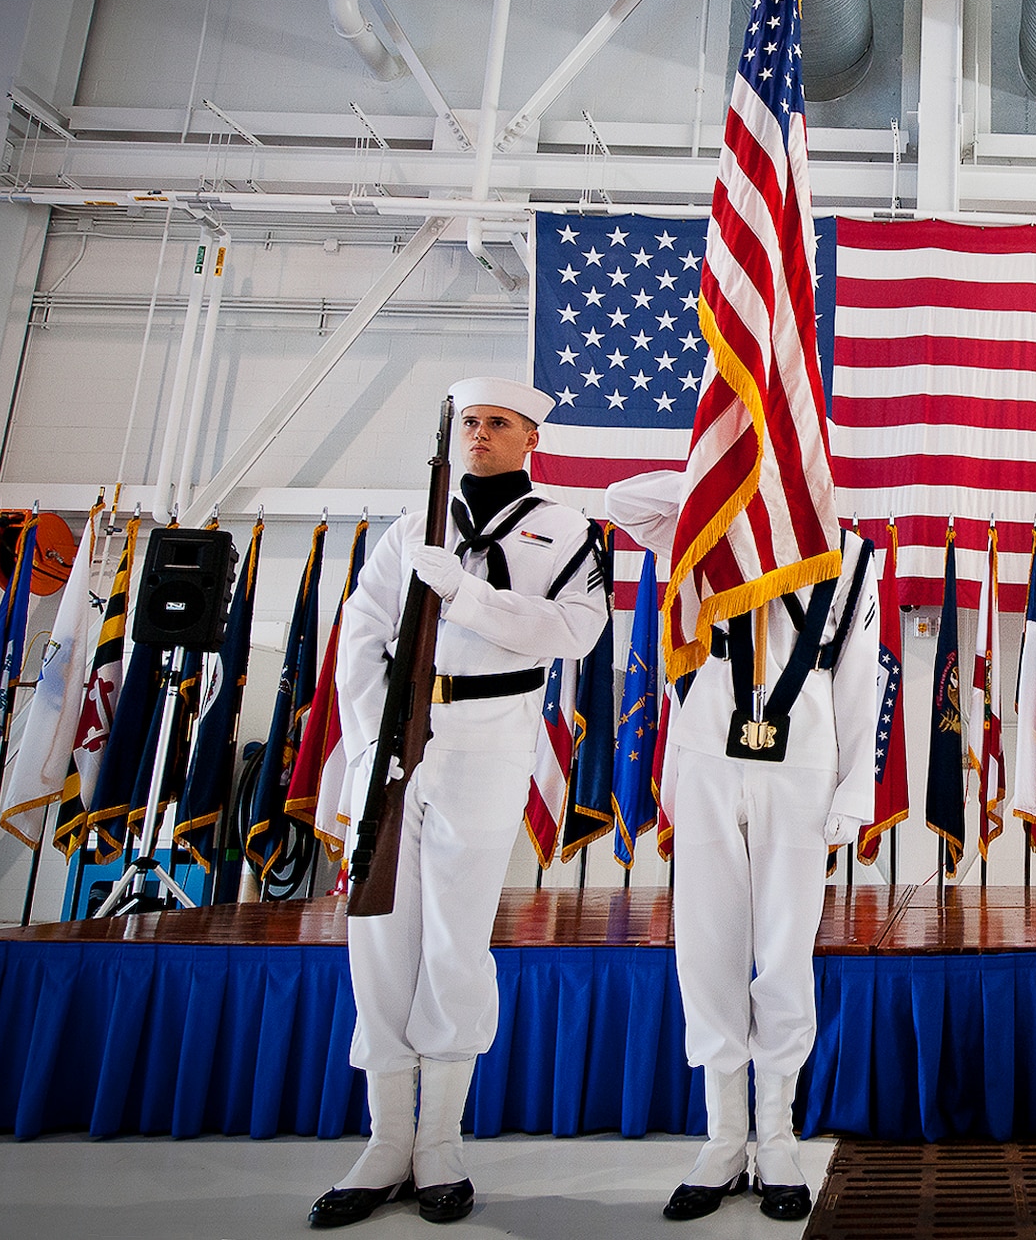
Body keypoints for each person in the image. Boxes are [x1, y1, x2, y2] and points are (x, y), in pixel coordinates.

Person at [309, 378, 609, 1229]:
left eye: (497, 423)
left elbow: (573, 631)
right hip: (397, 737)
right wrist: (375, 738)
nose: (480, 433)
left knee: (455, 934)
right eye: (469, 421)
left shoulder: (567, 529)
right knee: (377, 934)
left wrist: (469, 596)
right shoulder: (412, 528)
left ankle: (437, 1142)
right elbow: (361, 632)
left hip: (488, 733)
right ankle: (382, 1143)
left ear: (529, 439)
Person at [605, 470, 878, 1224]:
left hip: (802, 761)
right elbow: (621, 503)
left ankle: (780, 1133)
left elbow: (860, 673)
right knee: (708, 945)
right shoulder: (708, 526)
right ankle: (725, 1135)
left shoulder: (852, 554)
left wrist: (857, 787)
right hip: (709, 755)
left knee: (786, 948)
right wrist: (729, 466)